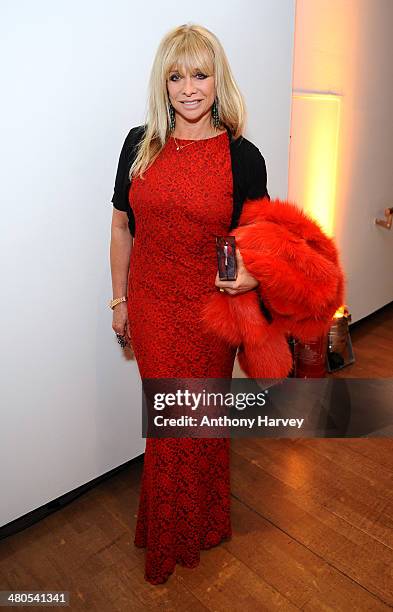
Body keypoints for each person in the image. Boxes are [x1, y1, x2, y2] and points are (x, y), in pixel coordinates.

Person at [108, 23, 269, 585]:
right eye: (176, 76)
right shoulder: (138, 142)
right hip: (152, 305)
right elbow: (122, 226)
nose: (189, 87)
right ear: (164, 83)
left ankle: (200, 523)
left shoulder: (243, 156)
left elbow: (262, 239)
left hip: (208, 313)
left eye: (200, 74)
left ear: (217, 78)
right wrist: (120, 299)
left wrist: (251, 280)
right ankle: (172, 536)